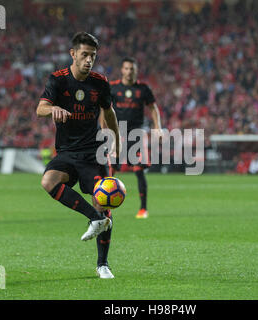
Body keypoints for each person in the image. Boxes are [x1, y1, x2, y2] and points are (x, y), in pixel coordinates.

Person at [36, 32, 121, 279]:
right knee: (48, 181)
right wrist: (54, 108)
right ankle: (95, 219)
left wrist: (115, 141)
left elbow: (109, 112)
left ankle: (103, 264)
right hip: (67, 153)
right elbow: (39, 108)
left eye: (92, 56)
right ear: (73, 54)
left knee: (103, 201)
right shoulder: (58, 80)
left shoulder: (99, 82)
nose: (89, 60)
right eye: (84, 55)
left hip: (93, 154)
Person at [108, 57, 162, 219]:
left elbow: (153, 108)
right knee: (110, 170)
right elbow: (104, 110)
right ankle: (103, 206)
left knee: (138, 170)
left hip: (137, 133)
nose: (129, 71)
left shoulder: (143, 89)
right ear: (122, 70)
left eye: (132, 69)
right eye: (126, 68)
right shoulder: (113, 88)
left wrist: (158, 127)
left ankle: (143, 209)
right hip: (117, 133)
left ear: (136, 71)